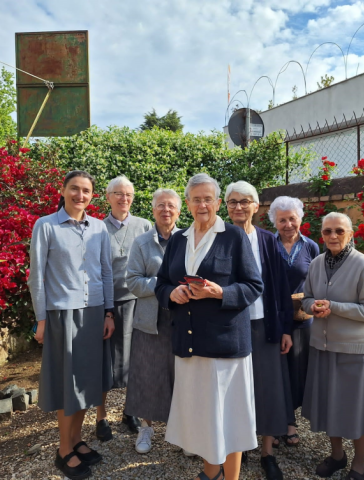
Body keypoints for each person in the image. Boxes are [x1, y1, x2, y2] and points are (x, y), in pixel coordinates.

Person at [155, 173, 263, 480]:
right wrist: (171, 294)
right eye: (196, 199)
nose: (202, 205)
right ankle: (209, 473)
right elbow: (163, 282)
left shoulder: (233, 236)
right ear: (187, 203)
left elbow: (254, 286)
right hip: (189, 345)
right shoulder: (178, 239)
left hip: (225, 345)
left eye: (208, 199)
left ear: (217, 202)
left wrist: (220, 292)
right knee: (203, 418)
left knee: (230, 419)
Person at [29, 170, 115, 480]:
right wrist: (41, 319)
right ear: (63, 191)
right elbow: (36, 276)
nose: (80, 195)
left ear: (93, 195)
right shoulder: (46, 226)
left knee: (86, 385)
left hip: (93, 313)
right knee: (68, 385)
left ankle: (77, 441)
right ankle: (63, 450)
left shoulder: (99, 228)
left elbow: (106, 272)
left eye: (86, 191)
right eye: (74, 189)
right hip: (62, 314)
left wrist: (108, 313)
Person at [301, 212, 364, 480]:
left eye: (339, 231)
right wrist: (311, 305)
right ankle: (337, 455)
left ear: (350, 234)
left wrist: (333, 307)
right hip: (322, 347)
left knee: (356, 409)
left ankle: (359, 464)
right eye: (327, 232)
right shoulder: (316, 263)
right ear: (321, 235)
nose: (333, 236)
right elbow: (306, 297)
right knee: (329, 405)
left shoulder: (363, 265)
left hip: (353, 350)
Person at [225, 181, 295, 480]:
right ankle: (229, 448)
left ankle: (267, 452)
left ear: (256, 206)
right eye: (232, 201)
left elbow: (280, 287)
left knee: (268, 388)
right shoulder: (219, 236)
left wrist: (285, 329)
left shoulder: (268, 240)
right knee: (230, 390)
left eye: (245, 201)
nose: (238, 207)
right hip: (228, 326)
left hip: (263, 324)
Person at [124, 188, 181, 454]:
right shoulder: (141, 242)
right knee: (147, 374)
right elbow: (133, 281)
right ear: (153, 209)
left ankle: (182, 431)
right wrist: (163, 285)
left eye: (171, 206)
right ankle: (146, 428)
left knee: (181, 377)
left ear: (179, 211)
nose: (165, 210)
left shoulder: (188, 238)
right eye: (160, 205)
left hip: (182, 320)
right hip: (149, 320)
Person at [97, 175, 152, 438]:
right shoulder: (96, 228)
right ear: (108, 197)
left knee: (135, 359)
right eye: (118, 193)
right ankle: (101, 416)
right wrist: (106, 309)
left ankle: (130, 412)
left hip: (137, 302)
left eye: (128, 194)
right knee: (103, 360)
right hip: (105, 303)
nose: (124, 198)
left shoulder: (144, 226)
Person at [268, 196, 320, 447]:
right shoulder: (267, 244)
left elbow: (317, 283)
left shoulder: (311, 247)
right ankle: (280, 423)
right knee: (276, 371)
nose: (288, 224)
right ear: (274, 223)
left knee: (297, 371)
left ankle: (290, 421)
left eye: (292, 218)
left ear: (300, 219)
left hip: (301, 319)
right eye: (282, 220)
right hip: (275, 316)